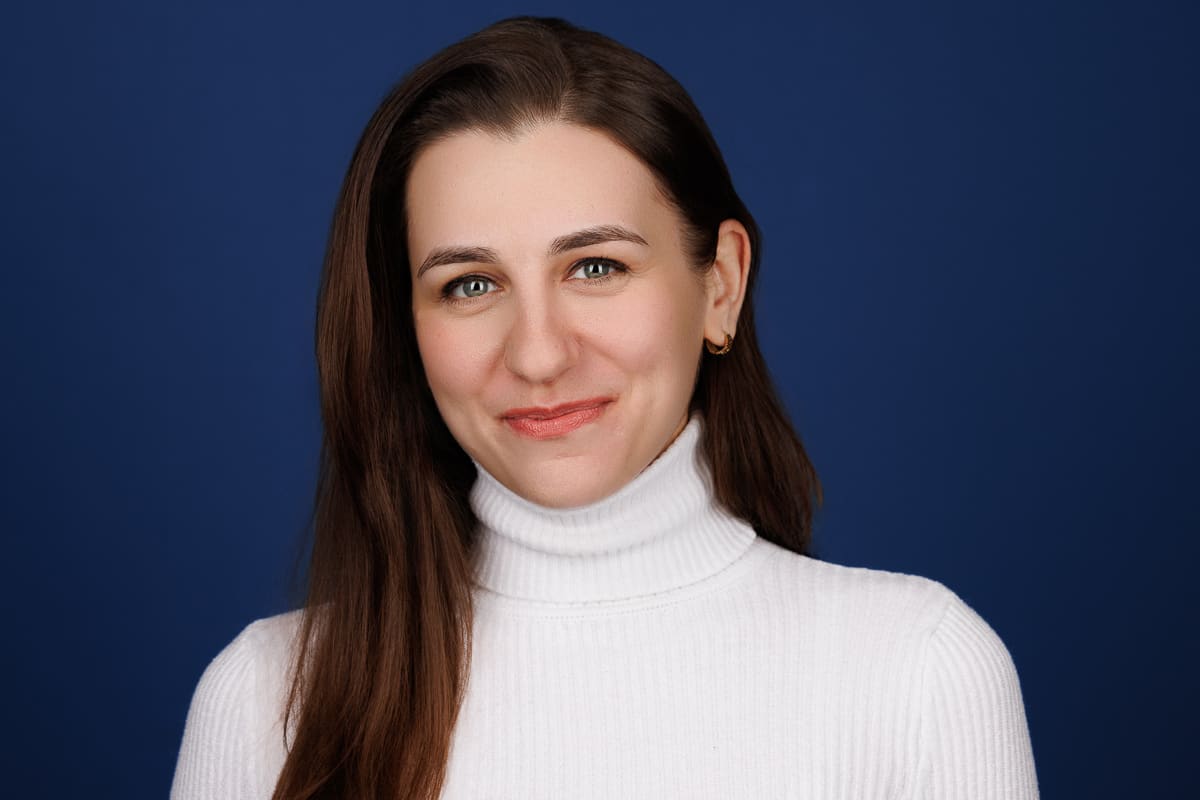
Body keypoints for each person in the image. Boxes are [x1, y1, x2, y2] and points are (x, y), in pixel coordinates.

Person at [171, 15, 1039, 800]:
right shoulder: (265, 701)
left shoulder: (920, 674)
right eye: (470, 284)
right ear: (406, 328)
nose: (540, 353)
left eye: (597, 268)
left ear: (721, 286)